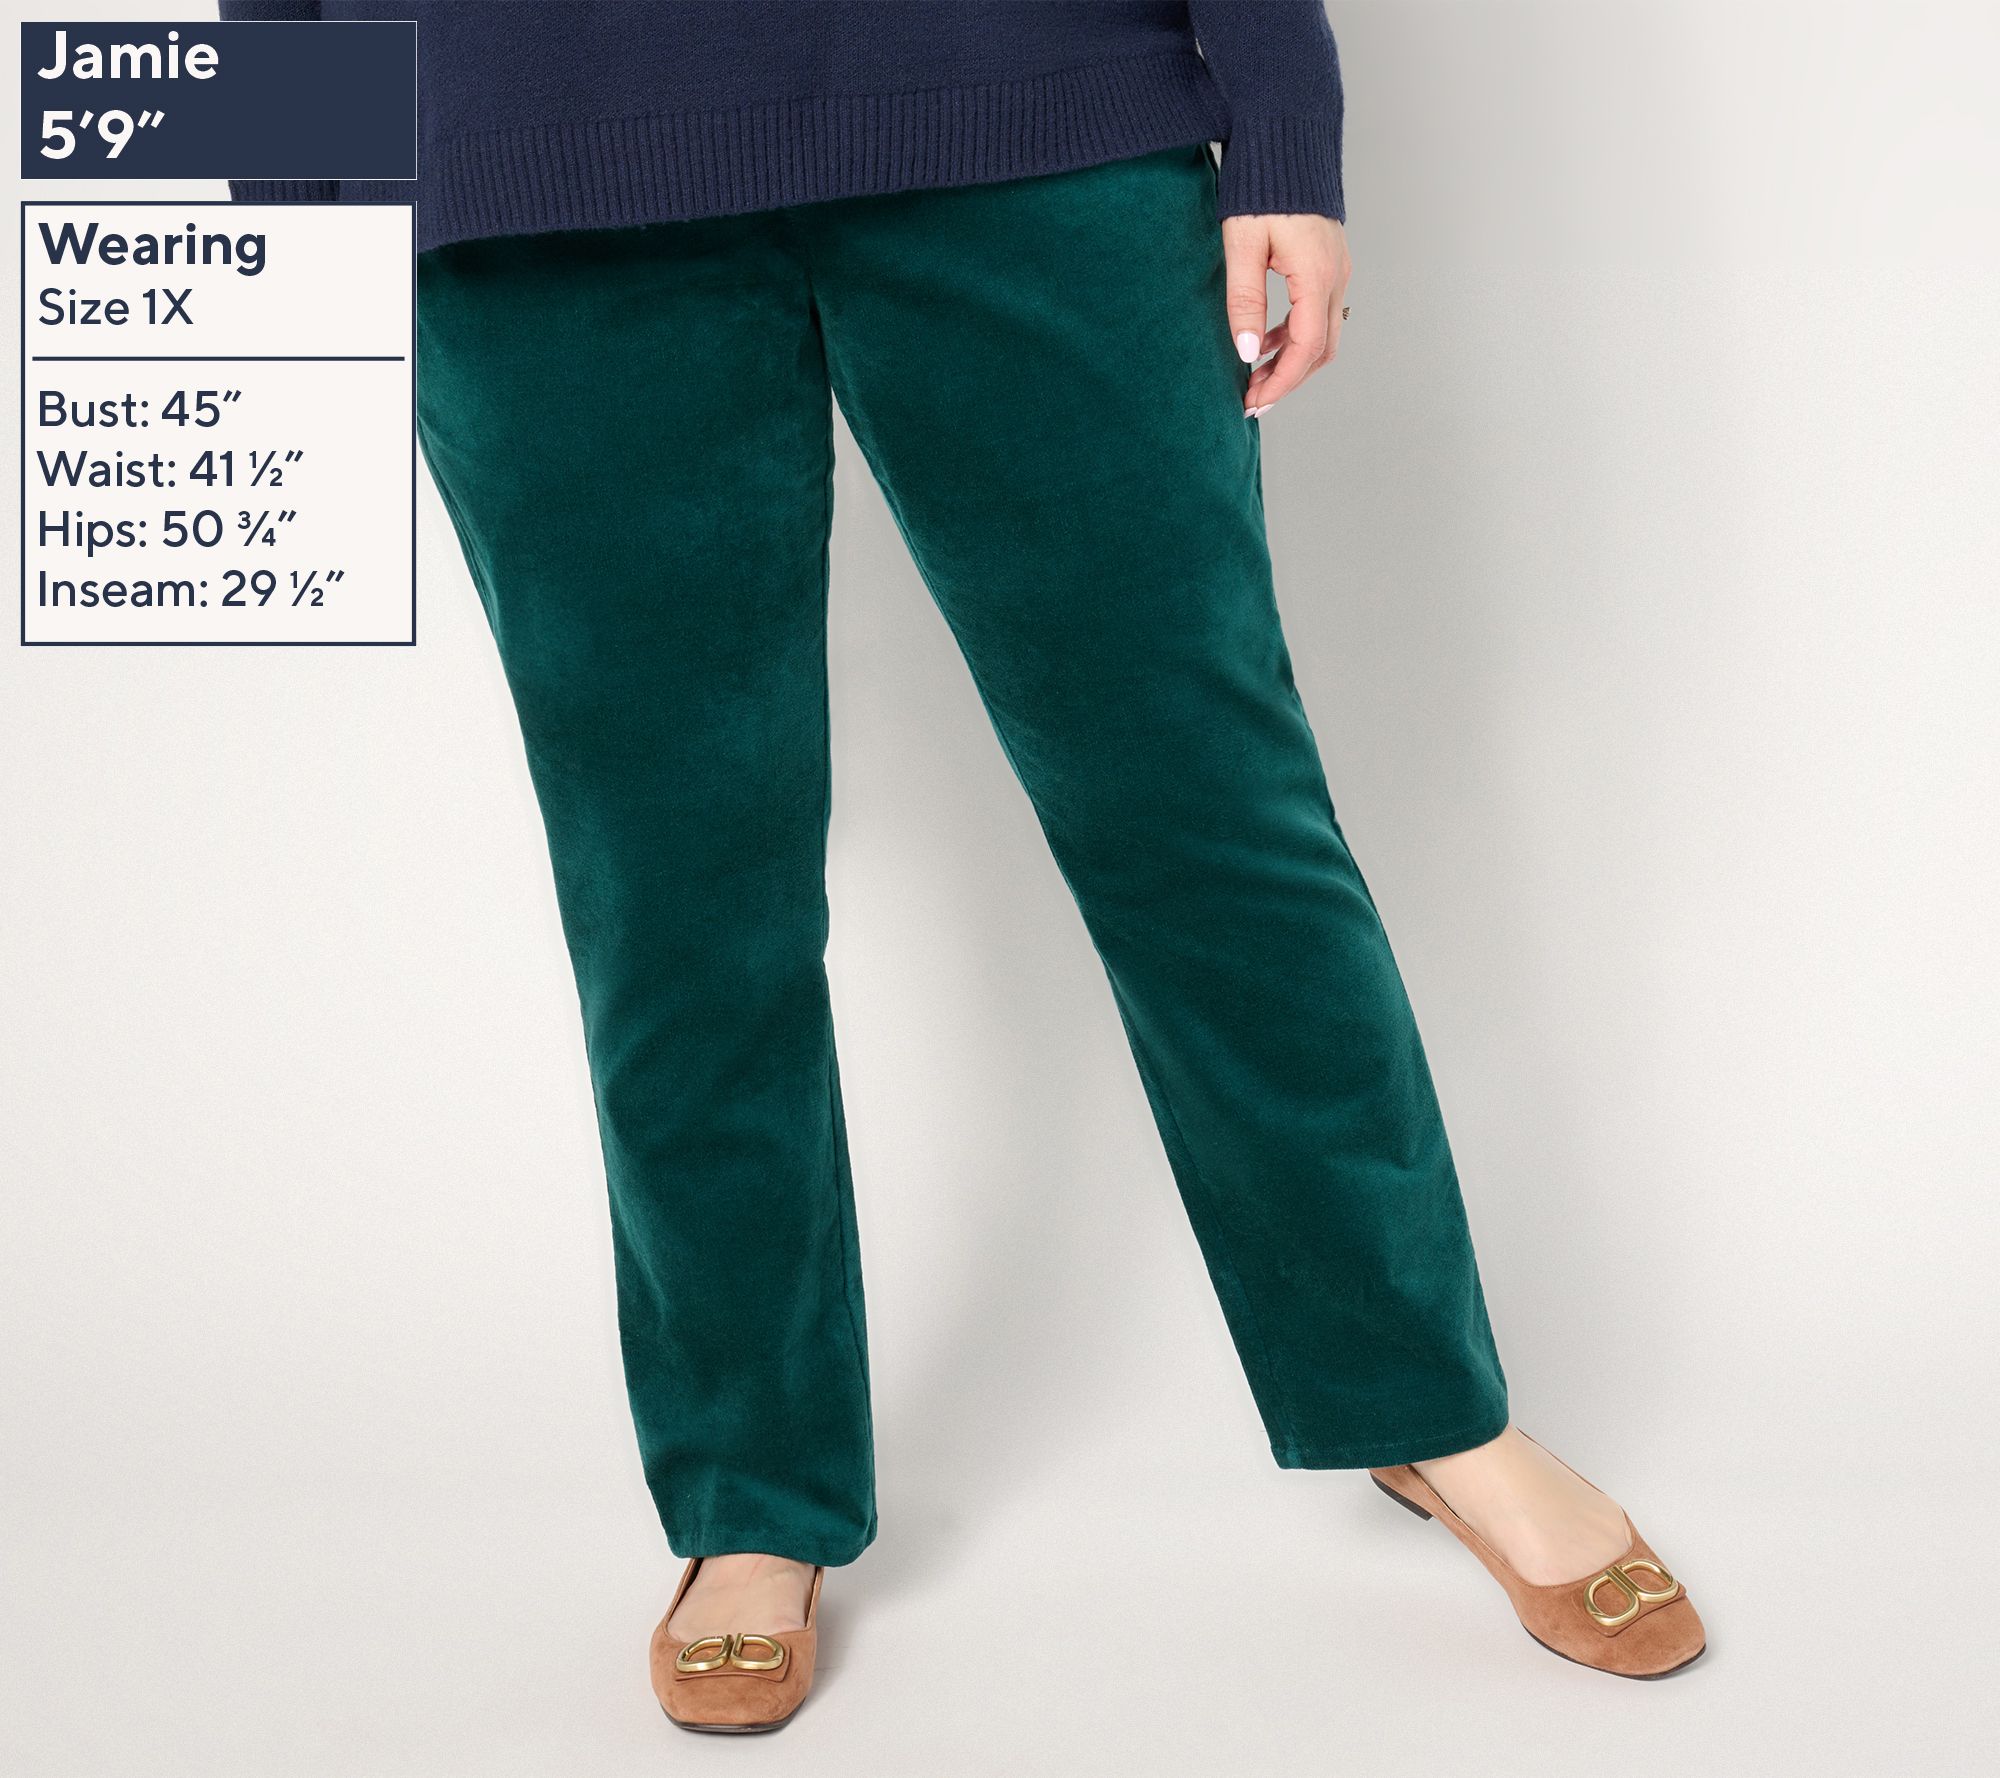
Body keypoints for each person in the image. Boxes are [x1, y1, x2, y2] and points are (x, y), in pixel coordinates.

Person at [224, 0, 1706, 1730]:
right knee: (674, 887)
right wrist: (287, 197)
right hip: (523, 164)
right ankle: (751, 1488)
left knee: (1208, 814)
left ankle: (1428, 1404)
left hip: (1033, 109)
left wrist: (1284, 115)